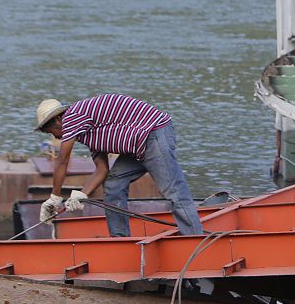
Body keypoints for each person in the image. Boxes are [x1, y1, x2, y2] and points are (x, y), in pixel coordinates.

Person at [34, 94, 203, 236]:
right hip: (138, 145)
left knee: (175, 193)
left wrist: (54, 198)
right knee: (114, 184)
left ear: (58, 120)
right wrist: (82, 194)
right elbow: (102, 170)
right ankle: (120, 240)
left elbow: (62, 160)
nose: (56, 139)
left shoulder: (72, 117)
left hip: (154, 134)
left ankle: (194, 241)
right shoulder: (87, 132)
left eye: (52, 133)